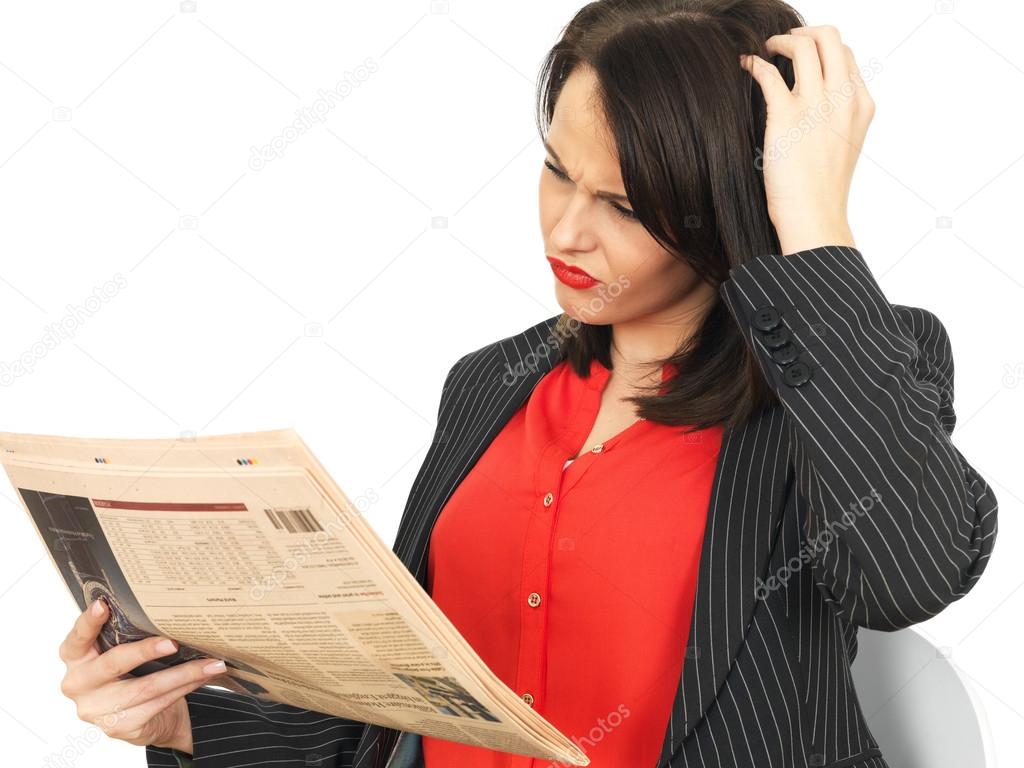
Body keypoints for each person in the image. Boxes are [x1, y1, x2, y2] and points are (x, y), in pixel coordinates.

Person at [57, 1, 999, 766]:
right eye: (556, 171)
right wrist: (177, 717)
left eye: (624, 204)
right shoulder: (489, 385)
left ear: (734, 203)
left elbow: (906, 577)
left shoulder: (852, 369)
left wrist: (815, 228)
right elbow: (394, 708)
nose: (564, 233)